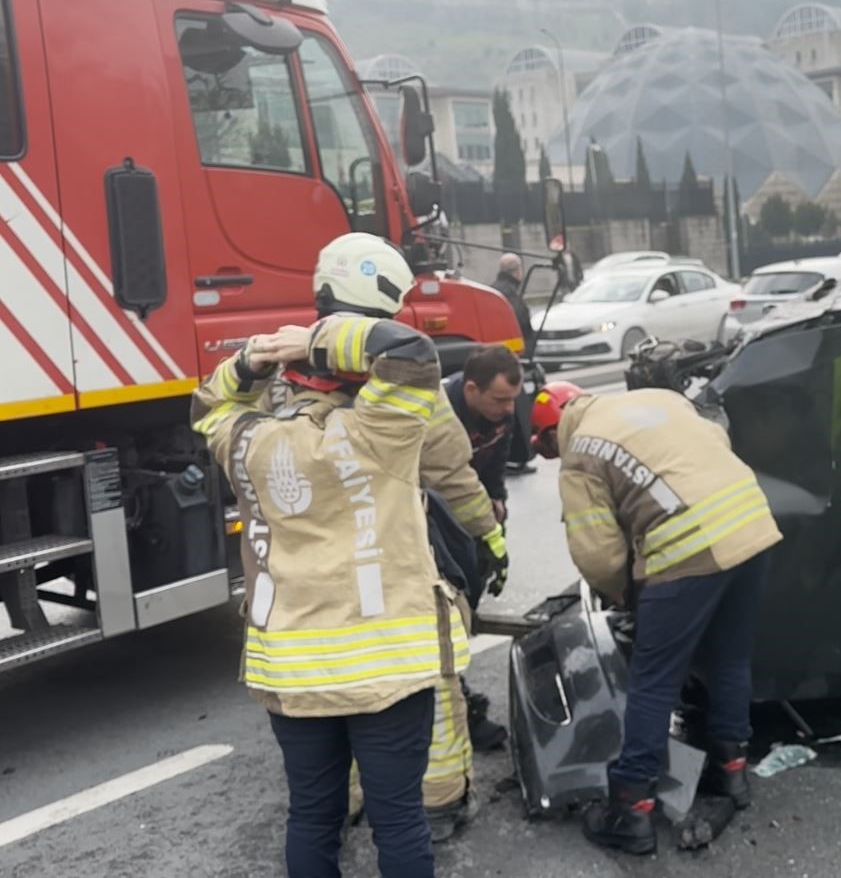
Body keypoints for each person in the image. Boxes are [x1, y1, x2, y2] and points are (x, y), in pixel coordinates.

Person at [192, 312, 471, 878]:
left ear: (285, 384)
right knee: (398, 821)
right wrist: (316, 340)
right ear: (352, 382)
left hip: (293, 675)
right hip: (386, 671)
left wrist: (251, 359)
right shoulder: (383, 432)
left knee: (313, 817)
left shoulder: (246, 439)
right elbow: (412, 351)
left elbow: (205, 407)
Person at [262, 233, 511, 843]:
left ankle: (342, 803)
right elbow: (451, 474)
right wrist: (491, 541)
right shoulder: (406, 379)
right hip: (387, 561)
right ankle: (437, 799)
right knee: (430, 681)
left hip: (300, 574)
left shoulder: (278, 373)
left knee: (326, 695)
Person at [530, 382, 783, 855]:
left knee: (654, 678)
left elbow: (599, 557)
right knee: (729, 658)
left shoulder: (580, 454)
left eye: (545, 444)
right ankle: (731, 773)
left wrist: (625, 590)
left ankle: (631, 808)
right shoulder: (657, 397)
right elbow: (715, 443)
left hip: (690, 546)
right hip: (751, 522)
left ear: (551, 432)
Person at [443, 345, 524, 524]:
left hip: (477, 489)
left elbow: (497, 461)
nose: (510, 409)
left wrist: (497, 499)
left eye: (513, 399)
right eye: (500, 400)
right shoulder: (442, 413)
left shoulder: (499, 411)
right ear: (471, 390)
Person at [491, 252, 539, 473]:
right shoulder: (511, 297)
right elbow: (522, 329)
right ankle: (519, 455)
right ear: (517, 271)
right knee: (515, 411)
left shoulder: (492, 291)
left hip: (494, 356)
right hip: (511, 358)